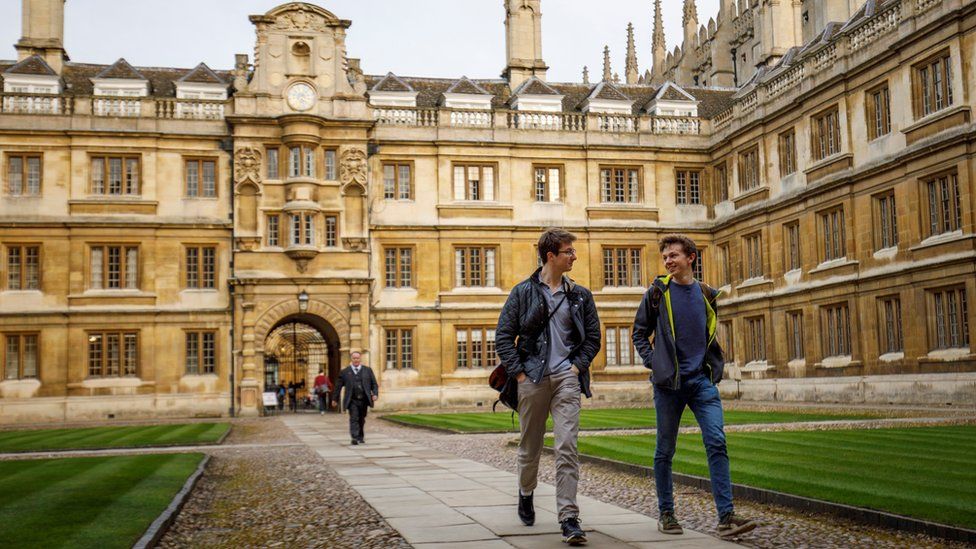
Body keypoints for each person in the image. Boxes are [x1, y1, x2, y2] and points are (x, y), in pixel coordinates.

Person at [632, 234, 757, 538]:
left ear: (691, 258)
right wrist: (656, 363)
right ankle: (666, 513)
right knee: (665, 450)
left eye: (673, 256)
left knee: (717, 441)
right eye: (665, 257)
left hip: (701, 382)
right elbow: (639, 333)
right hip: (668, 386)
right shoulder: (656, 293)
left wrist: (712, 366)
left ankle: (726, 517)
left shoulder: (706, 294)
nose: (668, 261)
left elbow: (709, 334)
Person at [495, 227, 601, 546]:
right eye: (569, 251)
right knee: (531, 448)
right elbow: (504, 336)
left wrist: (576, 366)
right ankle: (526, 493)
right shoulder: (522, 292)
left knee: (567, 446)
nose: (574, 256)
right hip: (533, 379)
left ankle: (569, 517)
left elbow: (593, 338)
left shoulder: (580, 294)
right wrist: (520, 375)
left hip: (567, 378)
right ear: (551, 255)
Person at [331, 351, 378, 445]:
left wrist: (375, 394)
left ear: (360, 359)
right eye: (354, 358)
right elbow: (338, 386)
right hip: (352, 400)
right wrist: (334, 399)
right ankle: (354, 437)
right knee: (354, 418)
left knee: (361, 418)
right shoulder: (344, 372)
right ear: (351, 359)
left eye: (357, 358)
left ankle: (360, 436)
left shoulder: (367, 370)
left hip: (364, 399)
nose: (356, 360)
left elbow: (374, 384)